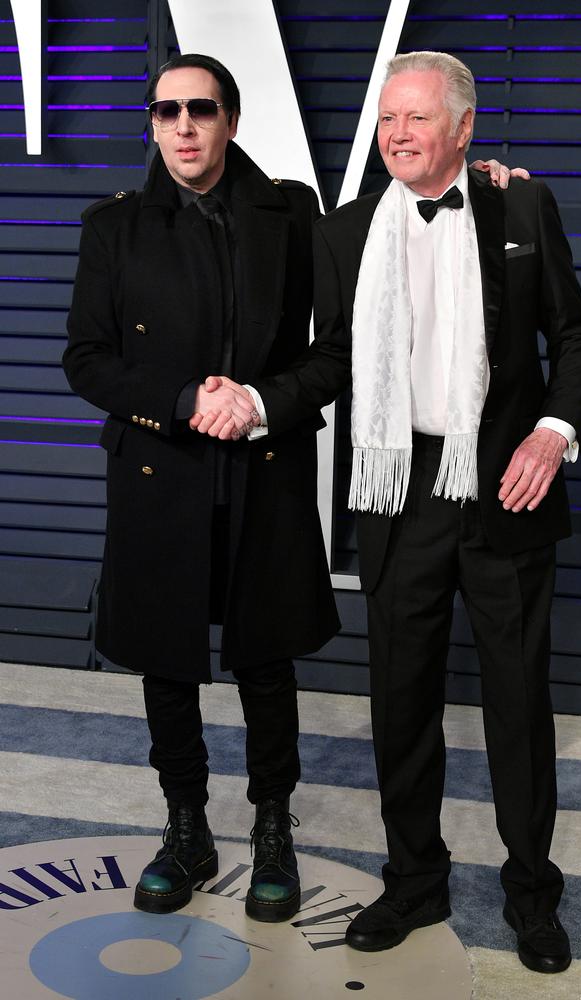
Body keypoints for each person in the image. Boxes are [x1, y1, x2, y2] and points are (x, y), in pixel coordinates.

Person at [215, 52, 581, 972]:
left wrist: (552, 432)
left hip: (505, 482)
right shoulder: (347, 232)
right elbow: (335, 360)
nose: (395, 133)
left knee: (516, 704)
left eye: (416, 118)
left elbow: (574, 334)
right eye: (387, 118)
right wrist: (260, 401)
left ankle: (530, 891)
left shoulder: (522, 208)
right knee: (402, 703)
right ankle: (415, 881)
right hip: (401, 490)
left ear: (464, 131)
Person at [62, 52, 341, 923]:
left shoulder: (292, 213)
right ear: (151, 123)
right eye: (166, 111)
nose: (183, 126)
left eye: (202, 109)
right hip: (162, 471)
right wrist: (185, 401)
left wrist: (256, 402)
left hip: (264, 465)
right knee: (166, 663)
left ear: (231, 119)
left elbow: (331, 350)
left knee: (265, 660)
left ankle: (270, 829)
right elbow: (88, 359)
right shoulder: (112, 226)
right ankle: (186, 829)